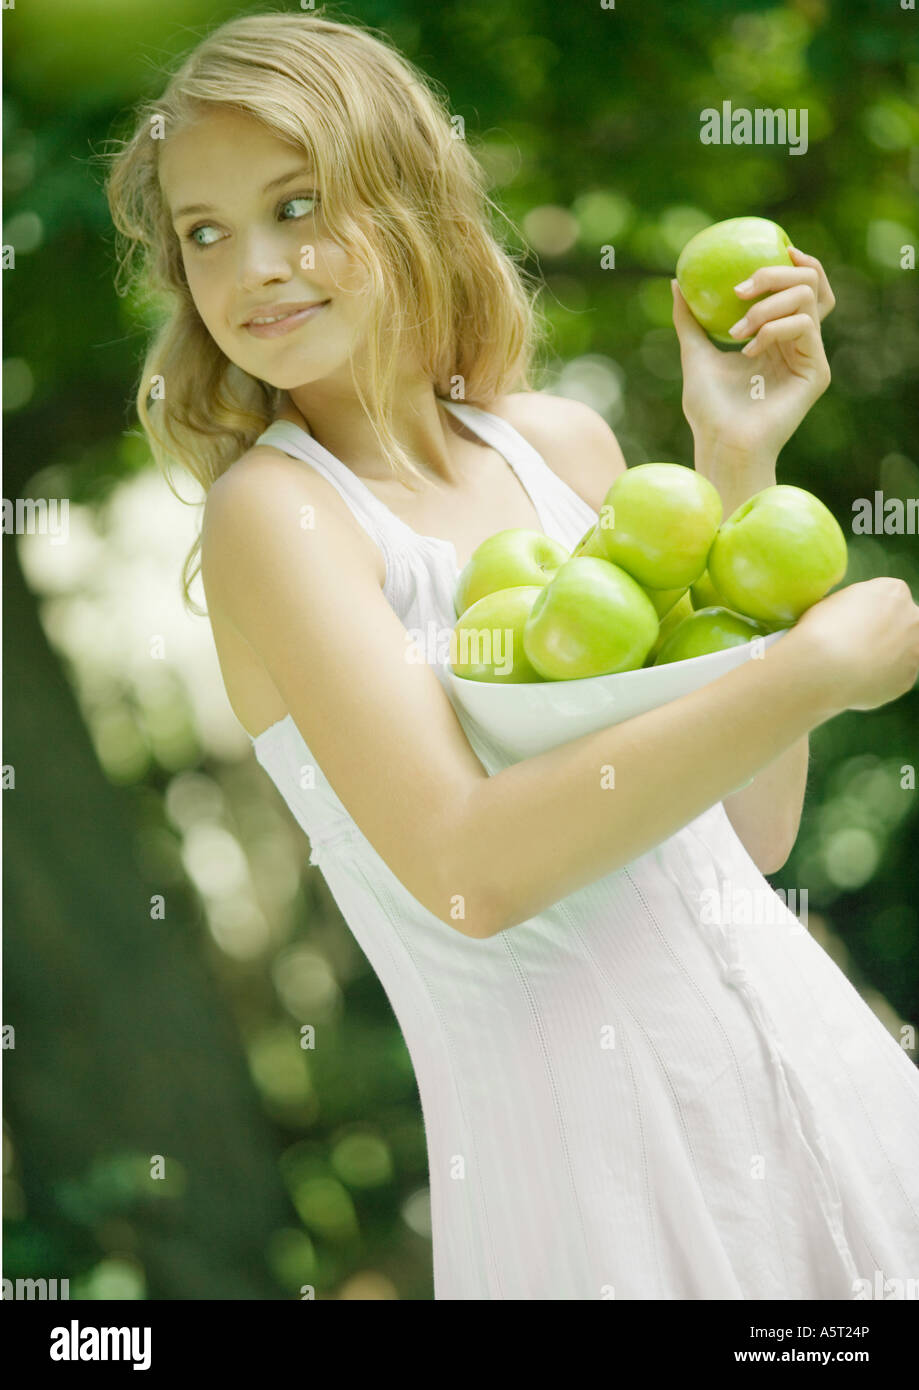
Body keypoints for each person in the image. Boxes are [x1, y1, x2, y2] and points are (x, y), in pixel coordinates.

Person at [104, 9, 919, 1299]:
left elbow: (746, 836)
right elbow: (467, 870)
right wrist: (810, 668)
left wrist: (738, 461)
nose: (252, 266)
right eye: (205, 233)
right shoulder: (279, 515)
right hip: (598, 1182)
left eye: (297, 203)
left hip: (822, 1094)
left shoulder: (562, 448)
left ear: (410, 199)